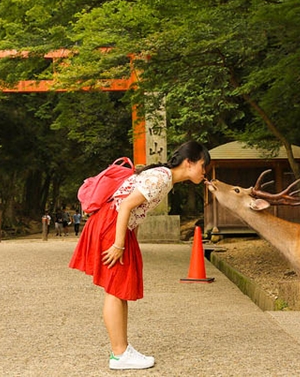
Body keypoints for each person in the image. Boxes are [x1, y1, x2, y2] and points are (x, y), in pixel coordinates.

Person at [69, 141, 210, 370]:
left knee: (119, 289)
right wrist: (119, 244)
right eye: (203, 166)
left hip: (117, 225)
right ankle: (119, 354)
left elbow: (133, 208)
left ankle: (122, 349)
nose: (205, 172)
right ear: (189, 163)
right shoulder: (161, 178)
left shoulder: (163, 177)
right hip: (112, 225)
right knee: (115, 289)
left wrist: (127, 238)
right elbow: (125, 205)